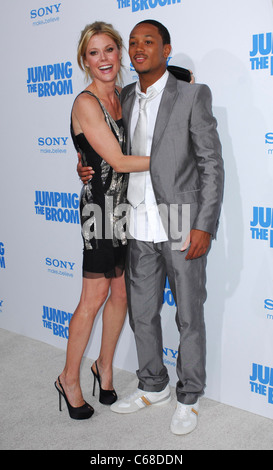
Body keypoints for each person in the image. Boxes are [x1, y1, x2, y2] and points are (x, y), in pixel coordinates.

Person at [78, 19, 224, 435]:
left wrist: (205, 226)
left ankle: (189, 394)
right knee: (142, 314)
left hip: (179, 218)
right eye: (135, 42)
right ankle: (152, 384)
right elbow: (103, 144)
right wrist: (84, 165)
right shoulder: (123, 95)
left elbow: (211, 165)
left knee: (189, 316)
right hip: (134, 221)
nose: (140, 48)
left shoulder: (192, 95)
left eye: (149, 42)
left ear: (166, 49)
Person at [55, 21, 151, 420]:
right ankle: (68, 378)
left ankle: (104, 367)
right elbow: (117, 161)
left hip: (127, 210)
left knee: (123, 295)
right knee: (93, 299)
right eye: (94, 53)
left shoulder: (126, 96)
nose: (103, 59)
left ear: (120, 54)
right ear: (84, 60)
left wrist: (183, 75)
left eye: (109, 49)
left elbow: (174, 77)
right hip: (100, 212)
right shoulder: (86, 102)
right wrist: (173, 159)